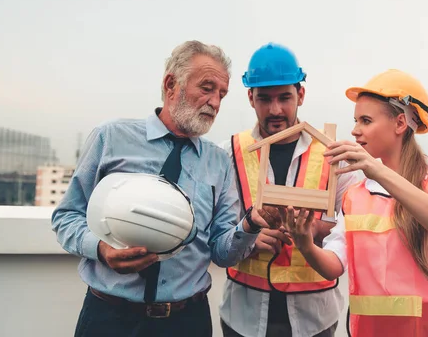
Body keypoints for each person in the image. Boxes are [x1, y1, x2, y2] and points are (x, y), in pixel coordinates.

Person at [51, 40, 279, 337]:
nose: (215, 103)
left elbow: (222, 253)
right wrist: (103, 250)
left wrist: (249, 224)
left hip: (187, 321)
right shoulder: (111, 138)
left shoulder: (218, 161)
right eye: (207, 88)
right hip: (109, 318)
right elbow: (66, 217)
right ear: (171, 84)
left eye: (222, 94)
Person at [282, 69, 428, 337]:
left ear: (399, 124)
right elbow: (334, 265)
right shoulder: (355, 194)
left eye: (365, 120)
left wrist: (379, 172)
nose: (355, 130)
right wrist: (304, 243)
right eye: (355, 120)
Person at [218, 43, 362, 337]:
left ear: (301, 95)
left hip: (314, 318)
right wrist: (249, 237)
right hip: (243, 315)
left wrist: (310, 230)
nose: (275, 109)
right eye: (264, 99)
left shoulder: (334, 155)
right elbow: (217, 228)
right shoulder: (229, 153)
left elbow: (350, 228)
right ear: (250, 98)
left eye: (285, 97)